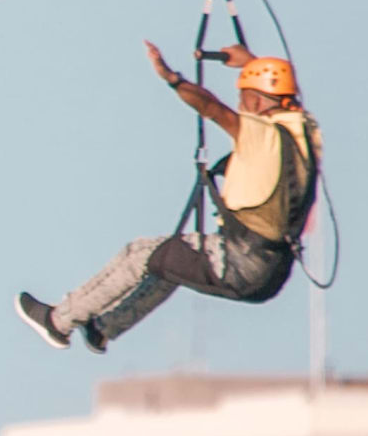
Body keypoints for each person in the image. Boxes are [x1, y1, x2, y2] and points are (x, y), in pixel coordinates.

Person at [19, 44, 320, 351]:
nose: (240, 104)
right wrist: (253, 65)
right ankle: (103, 327)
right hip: (273, 272)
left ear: (256, 100)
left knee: (139, 254)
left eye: (243, 97)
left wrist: (173, 79)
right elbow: (278, 99)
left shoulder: (262, 135)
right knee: (168, 259)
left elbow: (212, 108)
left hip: (238, 263)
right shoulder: (305, 134)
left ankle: (58, 322)